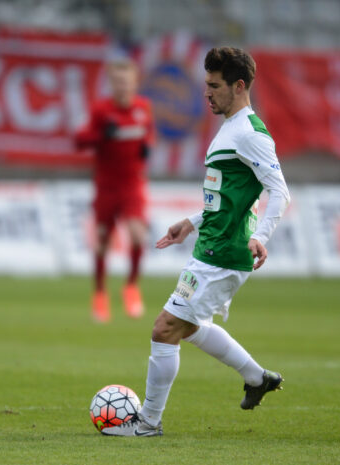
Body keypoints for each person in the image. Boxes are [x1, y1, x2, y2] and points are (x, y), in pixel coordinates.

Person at [101, 47, 291, 437]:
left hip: (225, 253)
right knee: (189, 326)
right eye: (206, 84)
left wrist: (260, 236)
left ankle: (148, 423)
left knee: (164, 328)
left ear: (239, 86)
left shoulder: (251, 134)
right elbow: (229, 197)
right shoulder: (231, 128)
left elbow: (280, 191)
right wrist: (190, 222)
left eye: (214, 86)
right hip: (210, 246)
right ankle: (256, 377)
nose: (206, 93)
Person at [75, 59, 156, 323]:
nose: (123, 86)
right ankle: (99, 294)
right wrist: (101, 136)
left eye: (127, 82)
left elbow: (149, 134)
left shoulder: (143, 107)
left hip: (132, 185)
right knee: (102, 243)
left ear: (134, 83)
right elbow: (79, 141)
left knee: (137, 234)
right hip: (107, 186)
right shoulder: (101, 110)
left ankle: (131, 287)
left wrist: (147, 145)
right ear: (112, 83)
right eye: (118, 82)